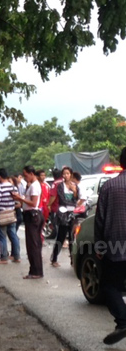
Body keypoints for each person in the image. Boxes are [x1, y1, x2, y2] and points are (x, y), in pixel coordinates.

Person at [94, 148, 126, 345]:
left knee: (109, 286)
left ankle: (123, 321)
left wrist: (99, 246)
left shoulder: (109, 186)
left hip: (116, 248)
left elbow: (100, 219)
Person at [12, 166, 43, 279]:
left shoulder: (34, 186)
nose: (25, 178)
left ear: (31, 174)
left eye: (25, 175)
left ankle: (37, 271)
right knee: (32, 244)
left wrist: (20, 198)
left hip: (32, 215)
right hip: (31, 215)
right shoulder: (32, 185)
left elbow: (33, 203)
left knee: (33, 245)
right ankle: (34, 270)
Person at [50, 166, 80, 267]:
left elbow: (77, 199)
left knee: (72, 238)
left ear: (71, 174)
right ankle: (54, 258)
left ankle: (73, 259)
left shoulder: (75, 185)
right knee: (61, 237)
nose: (65, 175)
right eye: (64, 174)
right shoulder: (60, 186)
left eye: (67, 173)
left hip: (73, 214)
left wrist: (74, 191)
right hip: (63, 214)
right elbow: (62, 200)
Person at [0, 168, 20, 264]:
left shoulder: (0, 187)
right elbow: (17, 200)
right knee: (13, 235)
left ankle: (4, 257)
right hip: (11, 213)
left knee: (2, 236)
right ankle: (16, 256)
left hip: (2, 214)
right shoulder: (13, 187)